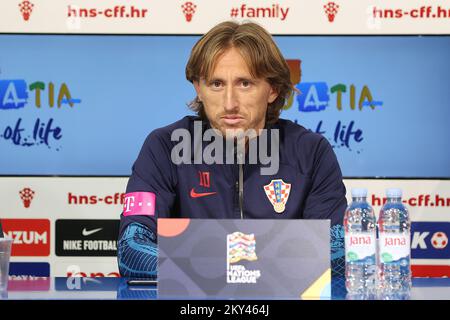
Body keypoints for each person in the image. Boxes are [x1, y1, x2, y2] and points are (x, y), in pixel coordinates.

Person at [117, 21, 346, 279]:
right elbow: (132, 250)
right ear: (198, 88)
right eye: (216, 84)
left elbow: (337, 253)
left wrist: (209, 263)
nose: (229, 103)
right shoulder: (164, 147)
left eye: (244, 84)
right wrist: (253, 266)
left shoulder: (311, 152)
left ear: (272, 89)